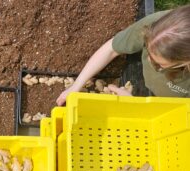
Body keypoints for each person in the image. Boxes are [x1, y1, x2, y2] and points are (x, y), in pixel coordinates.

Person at [56, 4, 190, 106]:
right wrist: (76, 86)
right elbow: (111, 49)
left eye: (158, 64)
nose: (148, 60)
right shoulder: (160, 27)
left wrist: (133, 105)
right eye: (147, 50)